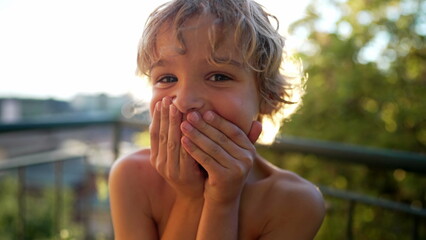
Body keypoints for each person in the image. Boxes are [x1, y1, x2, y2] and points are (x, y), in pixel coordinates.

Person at [109, 0, 325, 239]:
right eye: (168, 78)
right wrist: (191, 198)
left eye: (219, 76)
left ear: (268, 96)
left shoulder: (294, 203)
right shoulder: (131, 177)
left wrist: (222, 202)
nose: (184, 101)